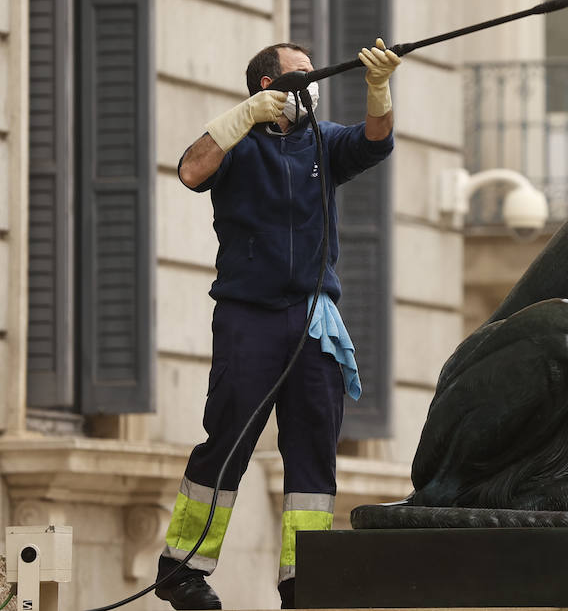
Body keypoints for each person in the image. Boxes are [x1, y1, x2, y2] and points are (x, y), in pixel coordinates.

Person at [155, 39, 400, 610]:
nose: (311, 87)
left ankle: (302, 580)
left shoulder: (324, 141)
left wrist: (378, 88)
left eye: (314, 78)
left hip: (314, 320)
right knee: (227, 443)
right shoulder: (236, 145)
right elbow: (191, 170)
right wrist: (240, 118)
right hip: (248, 317)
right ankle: (181, 570)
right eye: (299, 77)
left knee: (315, 456)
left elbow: (376, 140)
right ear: (268, 88)